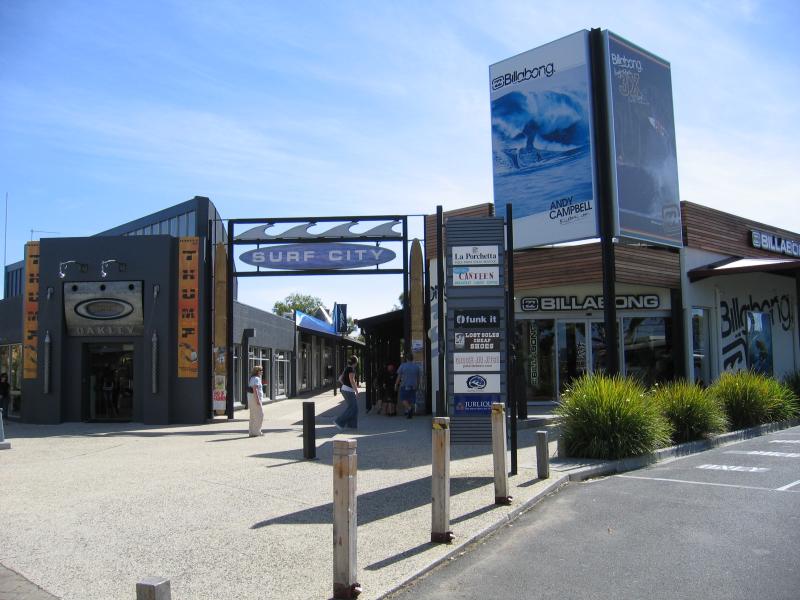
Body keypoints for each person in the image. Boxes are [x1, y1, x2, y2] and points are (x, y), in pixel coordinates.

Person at [334, 356, 359, 430]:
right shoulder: (351, 369)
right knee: (352, 408)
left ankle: (352, 425)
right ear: (355, 363)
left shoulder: (346, 368)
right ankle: (339, 421)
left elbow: (340, 379)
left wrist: (345, 384)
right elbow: (352, 381)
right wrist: (356, 391)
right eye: (357, 362)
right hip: (349, 390)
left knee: (354, 408)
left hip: (345, 389)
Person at [396, 354, 422, 419]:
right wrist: (418, 385)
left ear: (406, 359)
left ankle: (409, 409)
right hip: (413, 385)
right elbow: (418, 378)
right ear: (412, 359)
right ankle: (408, 412)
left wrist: (396, 384)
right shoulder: (416, 367)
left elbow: (399, 377)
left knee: (403, 399)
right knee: (410, 399)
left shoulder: (403, 366)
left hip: (405, 385)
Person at [248, 366, 265, 437]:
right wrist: (258, 400)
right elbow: (255, 389)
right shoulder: (257, 379)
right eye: (261, 370)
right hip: (255, 399)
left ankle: (251, 431)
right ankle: (257, 431)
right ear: (257, 371)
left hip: (251, 399)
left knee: (252, 415)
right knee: (260, 415)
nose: (262, 371)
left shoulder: (252, 378)